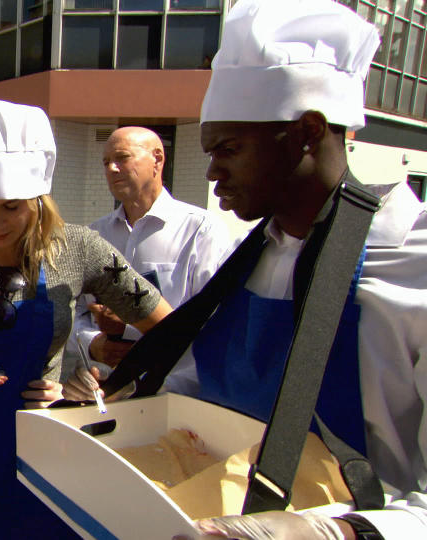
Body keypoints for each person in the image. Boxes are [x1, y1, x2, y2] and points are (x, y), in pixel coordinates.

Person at [80, 1, 427, 537]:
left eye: (229, 148)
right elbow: (203, 391)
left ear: (308, 131)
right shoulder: (249, 259)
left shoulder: (413, 265)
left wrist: (327, 532)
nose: (213, 172)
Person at [0, 100, 173, 538]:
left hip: (48, 445)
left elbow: (169, 327)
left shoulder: (81, 249)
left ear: (39, 197)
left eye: (10, 207)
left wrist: (107, 389)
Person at [63, 126, 233, 399]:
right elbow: (73, 313)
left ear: (157, 158)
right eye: (106, 162)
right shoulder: (94, 237)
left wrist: (131, 326)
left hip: (174, 397)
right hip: (101, 395)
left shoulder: (201, 231)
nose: (112, 169)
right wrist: (94, 343)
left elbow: (215, 321)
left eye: (122, 157)